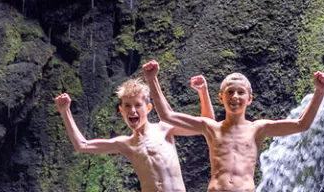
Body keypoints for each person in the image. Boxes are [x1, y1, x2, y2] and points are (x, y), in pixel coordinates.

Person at [142, 60, 324, 192]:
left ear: (249, 99)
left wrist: (320, 92)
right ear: (221, 97)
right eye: (230, 92)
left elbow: (301, 124)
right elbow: (167, 115)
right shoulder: (210, 127)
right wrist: (152, 79)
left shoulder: (258, 128)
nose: (235, 97)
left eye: (241, 93)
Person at [54, 74, 215, 192]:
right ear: (121, 111)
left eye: (138, 105)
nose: (133, 110)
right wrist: (64, 112)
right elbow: (82, 145)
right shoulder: (126, 144)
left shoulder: (165, 128)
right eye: (127, 106)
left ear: (148, 108)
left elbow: (207, 124)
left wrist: (203, 92)